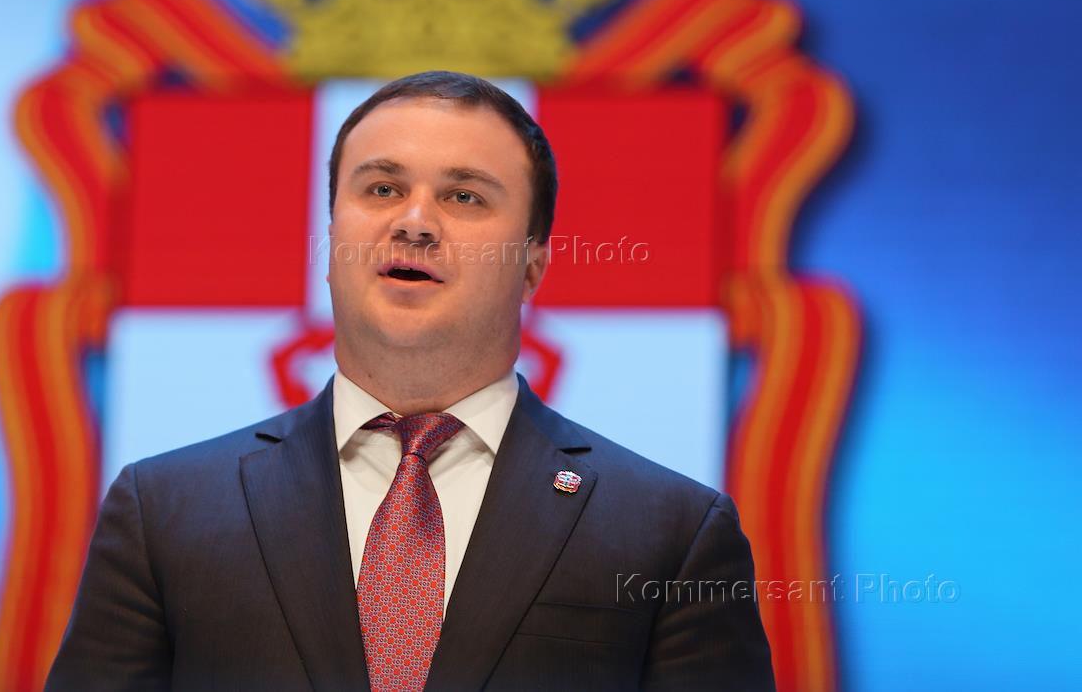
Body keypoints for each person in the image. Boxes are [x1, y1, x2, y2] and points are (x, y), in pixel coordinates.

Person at [46, 70, 775, 691]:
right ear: (333, 237)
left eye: (464, 197)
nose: (415, 222)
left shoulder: (671, 533)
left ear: (533, 264)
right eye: (383, 187)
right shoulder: (163, 512)